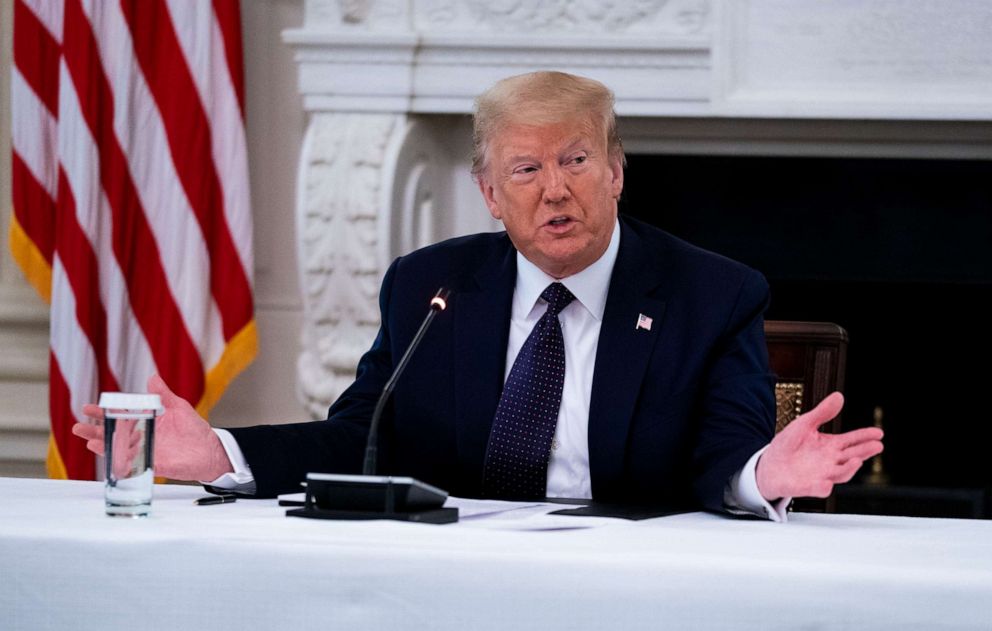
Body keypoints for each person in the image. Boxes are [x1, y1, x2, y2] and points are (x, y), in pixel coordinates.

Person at [73, 71, 883, 521]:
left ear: (617, 173)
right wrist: (221, 455)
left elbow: (724, 455)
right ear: (491, 194)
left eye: (576, 160)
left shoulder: (713, 292)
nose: (556, 190)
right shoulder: (430, 286)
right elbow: (363, 439)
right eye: (527, 170)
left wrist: (763, 471)